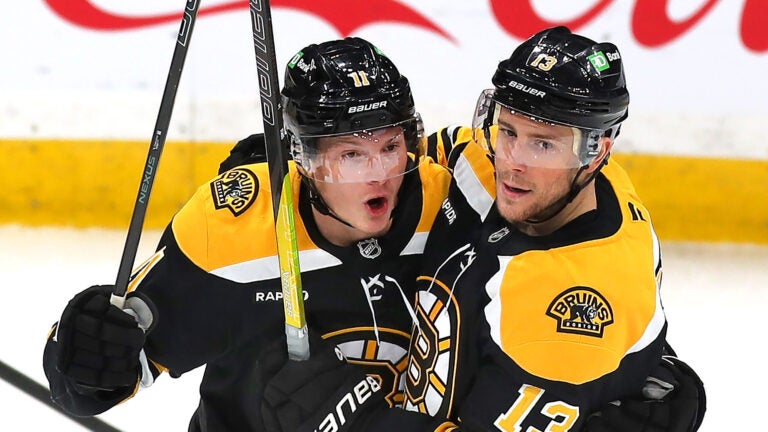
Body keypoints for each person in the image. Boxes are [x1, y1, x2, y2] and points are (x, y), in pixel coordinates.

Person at [258, 27, 705, 432]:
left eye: (543, 143)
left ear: (597, 152)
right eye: (508, 130)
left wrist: (349, 415)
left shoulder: (568, 313)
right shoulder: (500, 169)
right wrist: (287, 160)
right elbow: (423, 157)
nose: (512, 161)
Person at [43, 37, 455, 431]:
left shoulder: (449, 202)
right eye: (351, 155)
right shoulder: (233, 236)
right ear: (303, 157)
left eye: (390, 146)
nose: (380, 174)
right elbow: (91, 385)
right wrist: (86, 357)